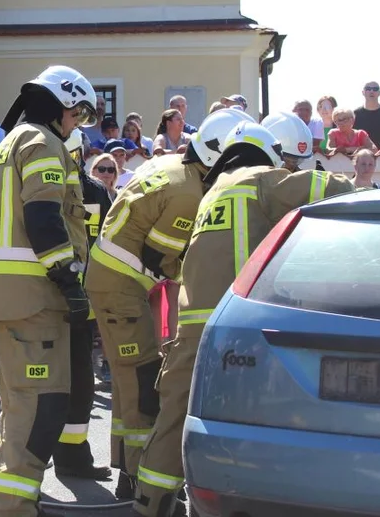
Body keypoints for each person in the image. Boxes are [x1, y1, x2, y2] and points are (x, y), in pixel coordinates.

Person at [133, 124, 353, 517]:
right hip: (237, 329)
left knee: (173, 418)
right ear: (266, 156)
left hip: (192, 326)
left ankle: (149, 504)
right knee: (245, 423)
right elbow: (325, 188)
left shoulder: (211, 194)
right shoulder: (260, 179)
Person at [85, 107, 255, 502]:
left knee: (130, 383)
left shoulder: (173, 167)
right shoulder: (188, 193)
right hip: (120, 289)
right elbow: (162, 256)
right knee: (143, 387)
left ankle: (129, 471)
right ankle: (138, 479)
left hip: (117, 285)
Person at [0, 65, 99, 517]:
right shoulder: (42, 142)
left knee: (18, 410)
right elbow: (45, 220)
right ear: (61, 104)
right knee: (39, 413)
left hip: (9, 296)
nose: (77, 125)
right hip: (35, 298)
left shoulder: (8, 144)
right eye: (78, 115)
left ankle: (13, 499)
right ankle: (11, 508)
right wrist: (70, 282)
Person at [51, 129, 112, 481]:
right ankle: (72, 457)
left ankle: (29, 458)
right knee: (79, 380)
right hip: (82, 298)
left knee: (45, 382)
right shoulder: (97, 191)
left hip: (48, 297)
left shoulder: (43, 187)